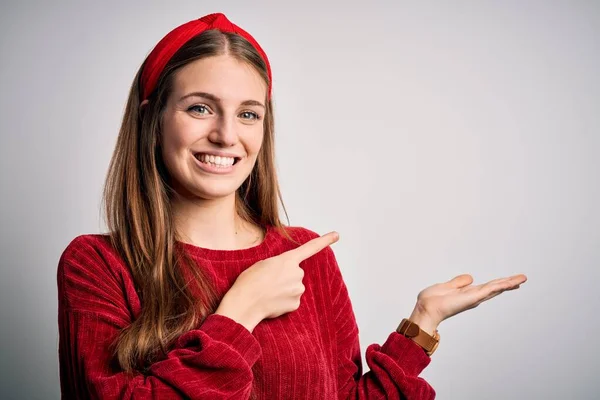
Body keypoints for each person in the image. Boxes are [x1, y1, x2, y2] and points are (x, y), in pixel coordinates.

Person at [56, 12, 527, 399]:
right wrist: (240, 313)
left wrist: (423, 323)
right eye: (199, 108)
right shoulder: (97, 265)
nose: (226, 135)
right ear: (152, 119)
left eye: (248, 114)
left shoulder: (305, 254)